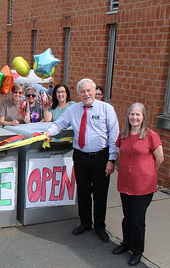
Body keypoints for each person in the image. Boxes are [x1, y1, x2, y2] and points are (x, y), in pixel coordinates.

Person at [44, 78, 119, 242]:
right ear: (78, 94)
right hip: (80, 156)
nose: (86, 94)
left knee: (100, 194)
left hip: (101, 157)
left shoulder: (107, 109)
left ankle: (100, 226)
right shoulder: (73, 110)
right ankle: (85, 223)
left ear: (94, 91)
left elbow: (114, 137)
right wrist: (48, 132)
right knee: (83, 192)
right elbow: (59, 124)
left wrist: (111, 160)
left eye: (89, 91)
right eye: (82, 91)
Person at [112, 103, 164, 266]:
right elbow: (121, 153)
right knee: (127, 217)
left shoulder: (151, 136)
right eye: (132, 114)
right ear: (128, 116)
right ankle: (126, 243)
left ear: (143, 117)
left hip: (143, 185)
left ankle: (137, 250)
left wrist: (147, 172)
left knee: (137, 218)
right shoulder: (123, 135)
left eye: (138, 115)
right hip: (125, 183)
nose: (134, 117)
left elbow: (160, 158)